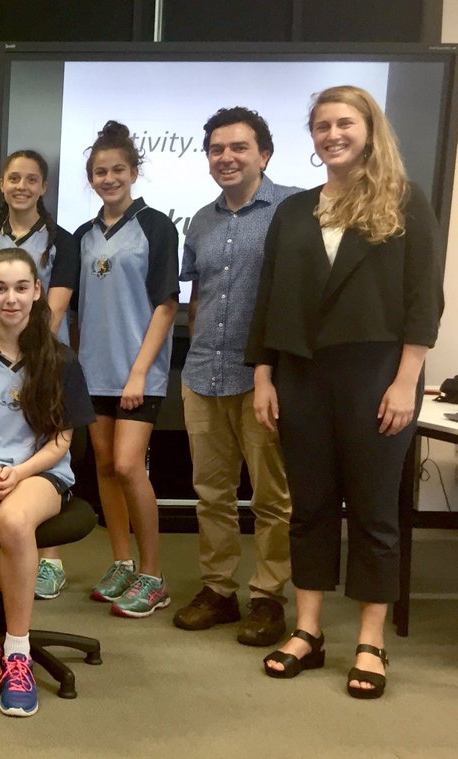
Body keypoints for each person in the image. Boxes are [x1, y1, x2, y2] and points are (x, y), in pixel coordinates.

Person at [248, 85, 444, 699]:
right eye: (322, 126)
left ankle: (370, 639)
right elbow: (269, 298)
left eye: (344, 123)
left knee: (373, 510)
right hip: (301, 376)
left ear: (369, 128)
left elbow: (424, 300)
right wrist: (263, 375)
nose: (332, 135)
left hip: (377, 376)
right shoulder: (293, 210)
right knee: (308, 507)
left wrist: (407, 381)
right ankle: (307, 631)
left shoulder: (405, 200)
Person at [0, 248, 95, 717]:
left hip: (39, 471)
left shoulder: (60, 360)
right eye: (0, 288)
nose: (11, 298)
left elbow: (61, 441)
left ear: (37, 292)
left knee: (13, 521)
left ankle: (18, 653)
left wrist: (19, 473)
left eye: (21, 288)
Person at [172, 107, 298, 646]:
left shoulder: (293, 209)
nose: (226, 157)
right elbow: (197, 297)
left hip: (264, 379)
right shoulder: (201, 220)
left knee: (272, 497)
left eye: (239, 147)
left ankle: (268, 597)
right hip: (203, 373)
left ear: (263, 154)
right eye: (216, 149)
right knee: (212, 494)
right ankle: (219, 590)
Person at [72, 121, 179, 618]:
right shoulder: (83, 235)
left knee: (128, 465)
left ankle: (153, 575)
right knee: (103, 467)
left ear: (134, 172)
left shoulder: (156, 226)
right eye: (100, 172)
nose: (109, 178)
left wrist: (139, 373)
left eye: (118, 169)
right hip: (94, 372)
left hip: (140, 373)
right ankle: (122, 562)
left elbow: (166, 305)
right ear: (90, 178)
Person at [0, 149, 77, 600]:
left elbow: (54, 307)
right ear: (2, 184)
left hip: (42, 360)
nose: (22, 186)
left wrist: (30, 355)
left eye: (31, 179)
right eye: (14, 178)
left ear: (43, 187)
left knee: (43, 447)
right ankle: (17, 558)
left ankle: (50, 561)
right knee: (4, 447)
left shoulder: (63, 240)